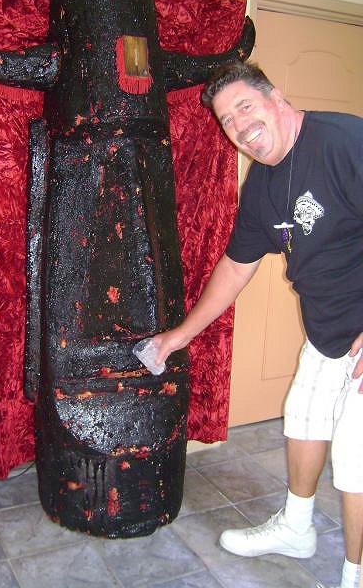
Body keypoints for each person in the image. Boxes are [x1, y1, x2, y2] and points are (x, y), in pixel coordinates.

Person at [152, 61, 363, 588]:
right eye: (227, 120)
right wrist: (179, 335)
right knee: (304, 419)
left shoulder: (343, 142)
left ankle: (355, 573)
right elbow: (235, 266)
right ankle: (296, 528)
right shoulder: (264, 184)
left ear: (277, 97)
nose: (239, 125)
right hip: (328, 331)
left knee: (355, 458)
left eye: (245, 106)